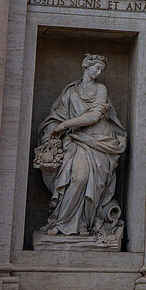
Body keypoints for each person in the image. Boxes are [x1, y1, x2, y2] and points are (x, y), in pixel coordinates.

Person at [34, 55, 127, 240]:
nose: (99, 73)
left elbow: (94, 116)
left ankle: (84, 223)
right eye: (96, 68)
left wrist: (65, 125)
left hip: (99, 141)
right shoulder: (70, 92)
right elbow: (56, 117)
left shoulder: (101, 89)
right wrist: (55, 129)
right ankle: (60, 223)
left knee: (89, 181)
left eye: (102, 70)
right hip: (75, 140)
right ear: (86, 67)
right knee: (75, 178)